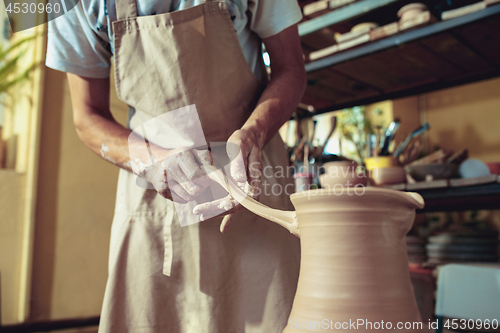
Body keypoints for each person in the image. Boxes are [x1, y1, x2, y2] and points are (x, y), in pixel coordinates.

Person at [46, 0, 306, 331]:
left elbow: (291, 69)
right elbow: (86, 116)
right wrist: (152, 161)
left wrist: (254, 133)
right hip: (154, 198)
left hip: (253, 190)